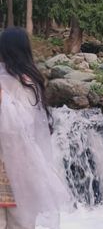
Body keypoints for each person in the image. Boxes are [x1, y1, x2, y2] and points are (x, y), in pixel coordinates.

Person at [0, 27, 70, 229]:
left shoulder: (16, 81)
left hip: (10, 165)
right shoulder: (32, 81)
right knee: (22, 222)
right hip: (26, 164)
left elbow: (12, 125)